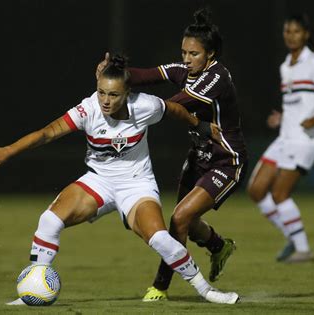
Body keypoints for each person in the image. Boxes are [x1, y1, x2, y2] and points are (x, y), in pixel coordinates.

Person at [0, 55, 239, 304]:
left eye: (113, 94)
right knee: (49, 220)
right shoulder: (88, 109)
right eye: (101, 92)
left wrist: (199, 125)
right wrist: (8, 151)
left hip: (137, 185)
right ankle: (33, 289)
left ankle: (206, 290)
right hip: (99, 181)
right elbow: (47, 133)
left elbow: (173, 109)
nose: (105, 100)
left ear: (127, 93)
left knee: (160, 238)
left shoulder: (144, 105)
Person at [97, 8, 247, 301]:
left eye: (194, 54)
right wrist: (115, 76)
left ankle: (161, 286)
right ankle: (218, 246)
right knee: (187, 224)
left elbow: (174, 104)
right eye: (184, 53)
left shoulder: (217, 77)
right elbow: (148, 75)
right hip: (199, 158)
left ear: (210, 54)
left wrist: (126, 101)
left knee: (179, 218)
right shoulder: (186, 70)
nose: (187, 59)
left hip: (226, 161)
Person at [247, 14, 314, 263]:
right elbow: (298, 101)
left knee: (280, 193)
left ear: (306, 34)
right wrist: (282, 117)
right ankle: (292, 235)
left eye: (296, 31)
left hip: (304, 140)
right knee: (256, 190)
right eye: (287, 31)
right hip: (285, 137)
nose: (290, 36)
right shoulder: (286, 65)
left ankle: (303, 249)